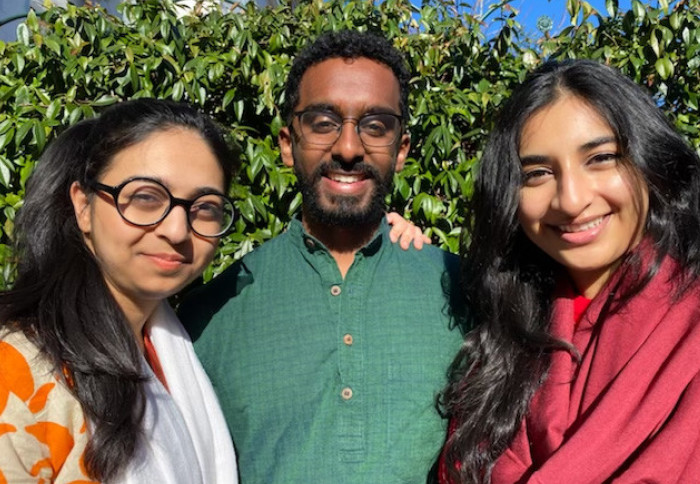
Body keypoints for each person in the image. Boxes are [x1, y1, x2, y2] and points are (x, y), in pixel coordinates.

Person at [179, 30, 465, 483]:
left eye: (375, 125)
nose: (348, 149)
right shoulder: (207, 315)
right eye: (323, 122)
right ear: (288, 143)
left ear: (402, 149)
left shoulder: (466, 293)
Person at [438, 59, 700, 483]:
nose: (571, 200)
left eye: (600, 158)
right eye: (538, 173)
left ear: (650, 162)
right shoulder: (504, 336)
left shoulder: (690, 322)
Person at [0, 99, 238, 483]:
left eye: (204, 207)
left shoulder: (169, 356)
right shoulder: (19, 370)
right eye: (146, 197)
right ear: (83, 205)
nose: (177, 231)